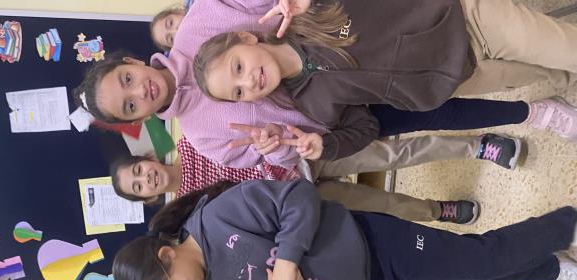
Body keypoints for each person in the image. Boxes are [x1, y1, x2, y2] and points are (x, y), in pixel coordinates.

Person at [75, 0, 571, 169]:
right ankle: (551, 92)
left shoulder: (203, 16)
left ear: (132, 62)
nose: (140, 92)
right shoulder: (204, 138)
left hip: (356, 29)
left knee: (536, 36)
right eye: (129, 105)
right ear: (138, 120)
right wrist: (280, 146)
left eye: (127, 80)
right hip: (353, 104)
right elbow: (293, 152)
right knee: (473, 94)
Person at [112, 178, 577, 280]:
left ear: (168, 256)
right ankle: (549, 269)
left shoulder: (218, 218)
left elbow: (299, 196)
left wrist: (287, 261)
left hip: (371, 244)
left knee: (478, 258)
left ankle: (565, 225)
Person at [192, 26, 577, 160]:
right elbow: (357, 130)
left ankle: (557, 71)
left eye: (238, 70)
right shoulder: (199, 133)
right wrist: (281, 140)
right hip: (337, 112)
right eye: (238, 92)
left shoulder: (200, 26)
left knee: (499, 53)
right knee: (442, 111)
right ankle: (540, 109)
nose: (247, 83)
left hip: (360, 40)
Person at [109, 132, 521, 224]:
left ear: (147, 158)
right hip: (297, 201)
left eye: (139, 170)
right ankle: (437, 210)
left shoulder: (193, 139)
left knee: (393, 154)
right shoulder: (191, 211)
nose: (147, 179)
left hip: (305, 155)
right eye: (139, 187)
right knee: (382, 206)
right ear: (148, 199)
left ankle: (477, 146)